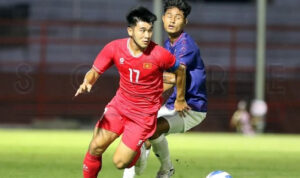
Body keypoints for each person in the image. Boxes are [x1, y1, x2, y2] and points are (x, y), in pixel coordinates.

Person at [74, 6, 189, 178]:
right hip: (119, 107)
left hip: (142, 117)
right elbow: (95, 70)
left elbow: (180, 71)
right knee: (95, 146)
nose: (147, 35)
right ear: (130, 30)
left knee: (120, 162)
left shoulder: (159, 54)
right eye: (142, 30)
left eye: (150, 30)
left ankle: (139, 150)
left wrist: (180, 99)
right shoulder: (114, 48)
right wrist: (87, 81)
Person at [123, 1, 207, 178]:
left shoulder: (186, 46)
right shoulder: (167, 45)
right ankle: (144, 172)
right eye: (169, 16)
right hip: (171, 105)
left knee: (151, 130)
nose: (172, 20)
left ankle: (165, 169)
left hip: (191, 108)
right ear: (162, 18)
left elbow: (176, 76)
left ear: (185, 22)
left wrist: (142, 89)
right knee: (141, 133)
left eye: (177, 17)